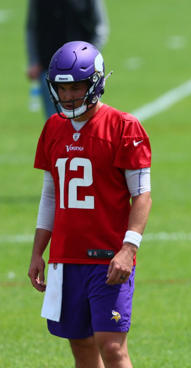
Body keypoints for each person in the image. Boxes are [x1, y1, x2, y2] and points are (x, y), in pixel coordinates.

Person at [28, 41, 152, 368]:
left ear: (95, 83)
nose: (68, 96)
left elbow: (142, 195)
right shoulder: (53, 127)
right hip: (65, 258)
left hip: (107, 258)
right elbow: (51, 193)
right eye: (63, 88)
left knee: (111, 346)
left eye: (76, 87)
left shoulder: (125, 127)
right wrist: (38, 250)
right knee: (81, 347)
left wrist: (129, 248)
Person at [26, 0, 109, 118]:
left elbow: (100, 28)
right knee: (55, 121)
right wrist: (33, 60)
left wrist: (88, 57)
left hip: (83, 74)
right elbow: (32, 27)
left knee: (87, 120)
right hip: (48, 69)